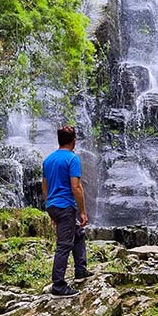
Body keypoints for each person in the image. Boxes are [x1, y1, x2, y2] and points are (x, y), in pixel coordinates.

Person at [41, 125, 92, 297]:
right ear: (74, 141)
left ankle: (80, 270)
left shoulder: (48, 160)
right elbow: (76, 187)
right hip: (66, 206)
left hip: (53, 205)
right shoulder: (72, 159)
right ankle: (58, 285)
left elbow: (45, 187)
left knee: (78, 232)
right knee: (64, 245)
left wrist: (50, 210)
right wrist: (83, 211)